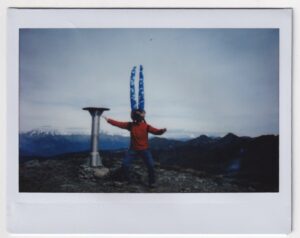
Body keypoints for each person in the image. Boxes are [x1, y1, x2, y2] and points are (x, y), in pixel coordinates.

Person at [103, 65, 166, 188]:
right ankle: (127, 180)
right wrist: (108, 120)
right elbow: (119, 124)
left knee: (151, 166)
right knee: (125, 165)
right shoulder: (131, 125)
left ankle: (152, 182)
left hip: (144, 149)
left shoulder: (144, 126)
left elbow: (156, 131)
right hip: (133, 150)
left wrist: (162, 131)